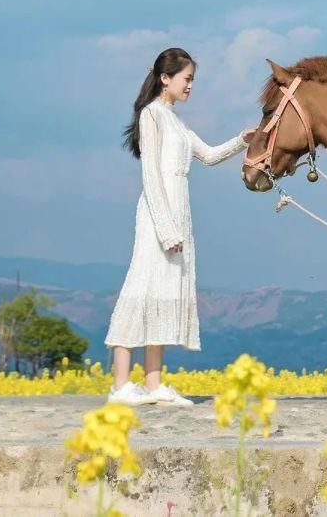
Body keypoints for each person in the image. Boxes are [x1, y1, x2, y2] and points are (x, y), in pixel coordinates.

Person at [104, 47, 257, 406]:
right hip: (159, 217)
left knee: (163, 293)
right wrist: (166, 229)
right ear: (165, 78)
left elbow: (208, 155)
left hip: (179, 213)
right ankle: (121, 385)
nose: (190, 86)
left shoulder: (176, 121)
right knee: (140, 289)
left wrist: (242, 140)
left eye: (192, 80)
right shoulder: (151, 116)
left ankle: (154, 384)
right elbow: (151, 177)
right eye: (187, 79)